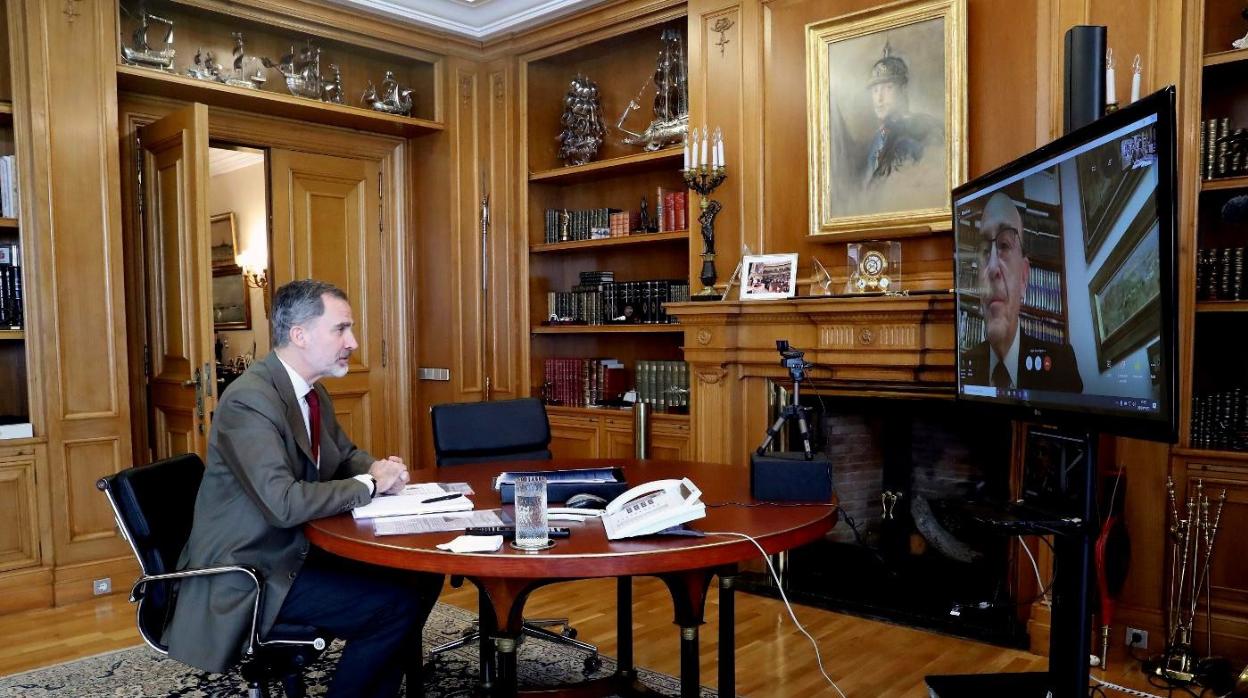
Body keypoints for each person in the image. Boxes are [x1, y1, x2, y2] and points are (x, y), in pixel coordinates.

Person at [165, 279, 442, 698]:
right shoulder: (249, 401)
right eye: (341, 329)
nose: (353, 341)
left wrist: (377, 467)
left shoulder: (311, 393)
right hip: (253, 569)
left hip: (294, 549)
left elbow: (344, 454)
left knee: (422, 575)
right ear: (299, 334)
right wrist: (369, 484)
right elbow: (284, 503)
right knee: (393, 607)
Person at [963, 192, 1084, 392]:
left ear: (1024, 277)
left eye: (1004, 245)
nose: (992, 267)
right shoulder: (964, 368)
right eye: (985, 251)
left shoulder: (1062, 366)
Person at [862, 41, 942, 185]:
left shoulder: (926, 127)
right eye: (875, 90)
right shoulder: (877, 138)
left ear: (903, 90)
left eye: (888, 88)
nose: (879, 98)